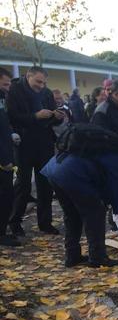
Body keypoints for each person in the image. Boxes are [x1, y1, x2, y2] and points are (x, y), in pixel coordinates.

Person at [41, 152, 118, 267]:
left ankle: (72, 256)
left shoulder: (114, 157)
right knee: (96, 215)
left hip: (55, 170)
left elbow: (102, 183)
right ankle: (98, 257)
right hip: (72, 175)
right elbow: (117, 191)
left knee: (72, 215)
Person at [7, 66, 63, 236]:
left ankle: (45, 223)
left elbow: (52, 117)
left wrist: (57, 117)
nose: (41, 85)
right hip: (23, 144)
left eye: (44, 83)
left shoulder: (46, 93)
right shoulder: (14, 90)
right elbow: (12, 117)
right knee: (23, 185)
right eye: (38, 82)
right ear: (28, 76)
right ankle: (15, 221)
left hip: (44, 142)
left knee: (45, 184)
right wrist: (35, 116)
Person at [0, 68, 20, 247]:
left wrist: (11, 133)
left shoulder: (2, 99)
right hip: (2, 162)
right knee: (4, 197)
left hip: (6, 154)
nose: (8, 88)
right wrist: (4, 160)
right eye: (5, 84)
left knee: (7, 196)